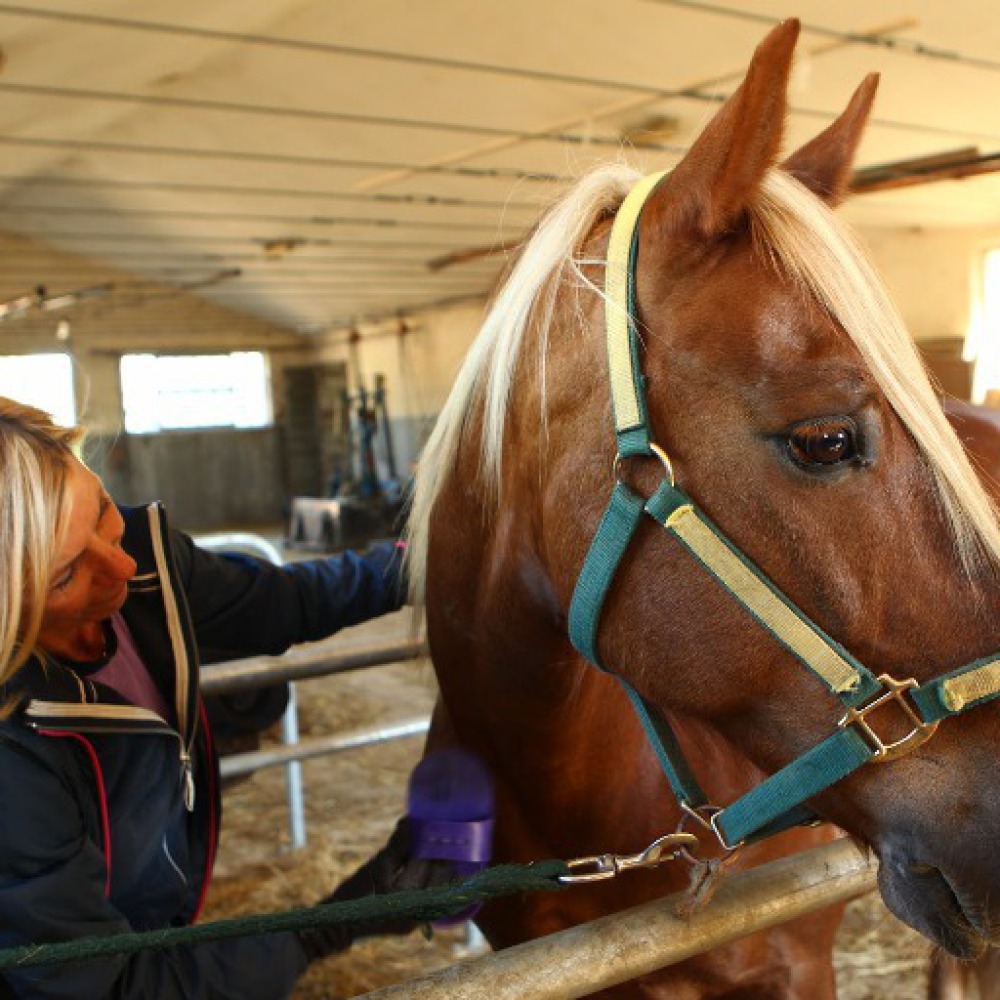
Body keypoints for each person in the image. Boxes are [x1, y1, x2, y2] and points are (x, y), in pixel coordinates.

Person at [0, 398, 440, 999]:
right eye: (67, 575)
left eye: (102, 509)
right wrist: (336, 921)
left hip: (155, 914)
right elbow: (114, 988)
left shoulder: (148, 563)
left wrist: (419, 560)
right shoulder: (12, 760)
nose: (123, 564)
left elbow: (282, 601)